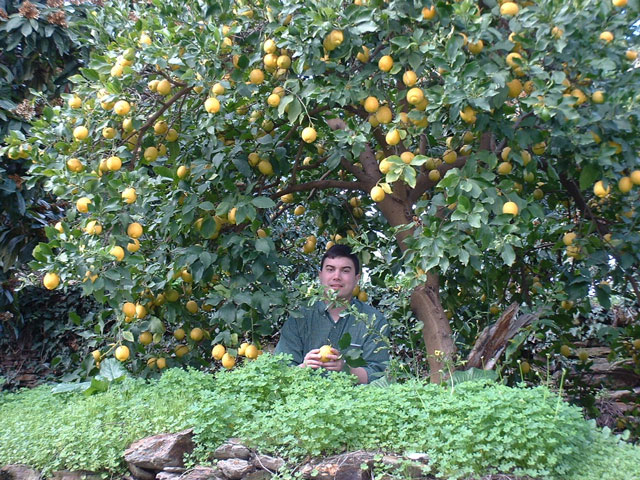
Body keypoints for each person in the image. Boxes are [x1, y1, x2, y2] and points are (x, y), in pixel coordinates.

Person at [275, 244, 389, 384]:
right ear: (320, 275)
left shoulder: (373, 321)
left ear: (357, 278)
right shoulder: (299, 318)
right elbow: (280, 372)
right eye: (330, 269)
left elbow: (378, 375)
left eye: (345, 271)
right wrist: (303, 368)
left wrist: (346, 369)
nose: (337, 276)